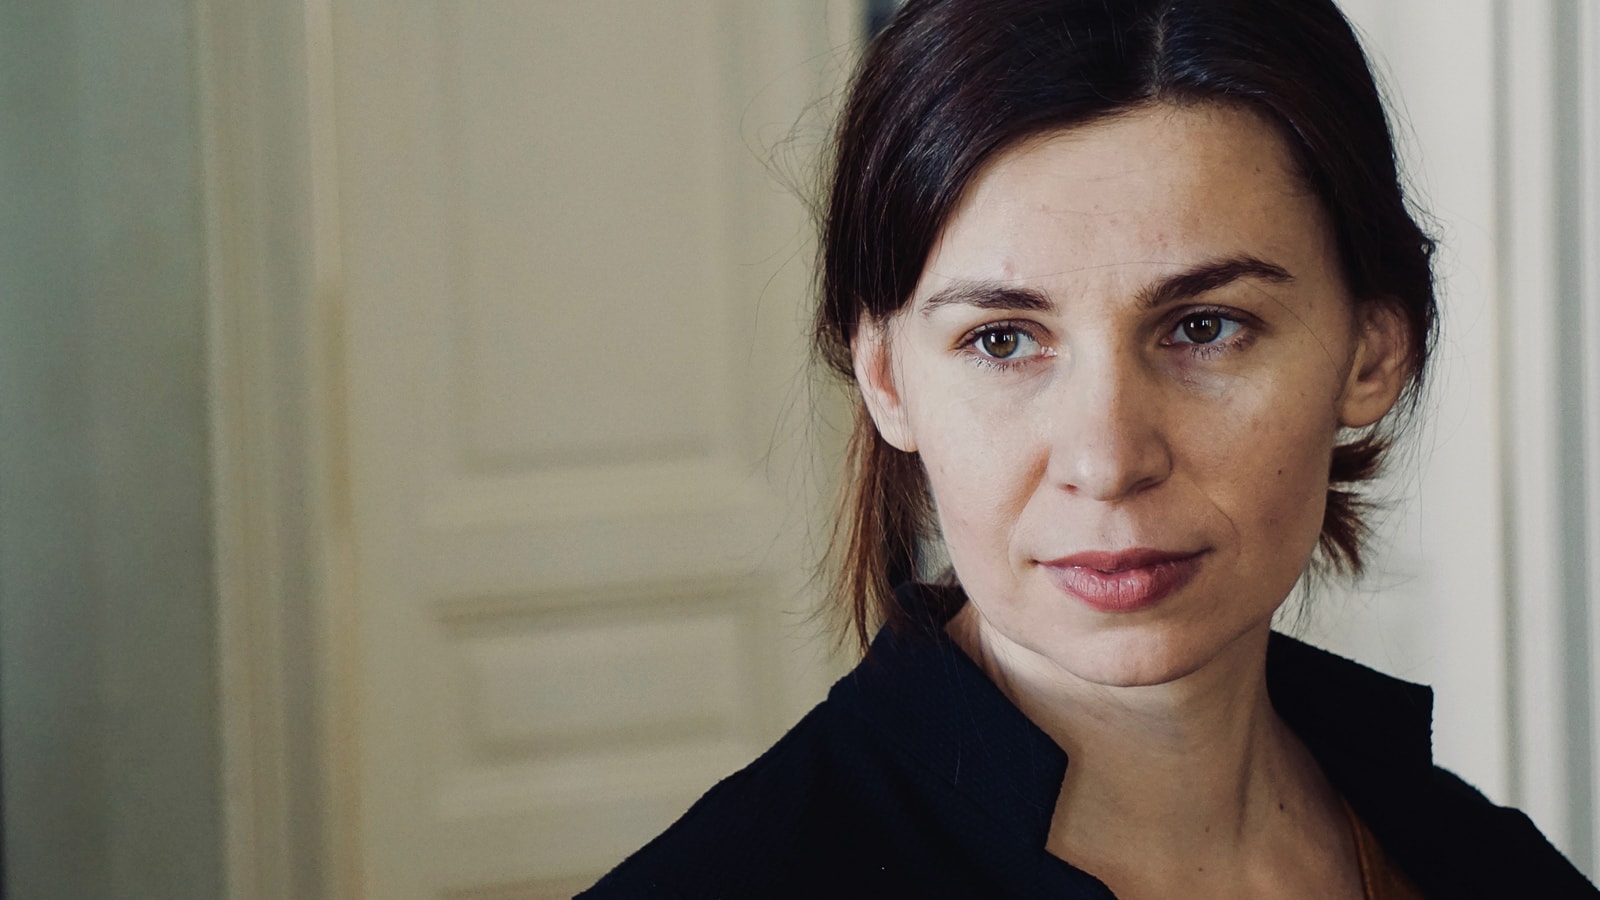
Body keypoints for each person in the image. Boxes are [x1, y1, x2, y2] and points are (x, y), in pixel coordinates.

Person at [582, 0, 1597, 896]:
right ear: (886, 380)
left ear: (1372, 351)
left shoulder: (1479, 864)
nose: (1107, 461)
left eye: (1204, 327)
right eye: (1003, 340)